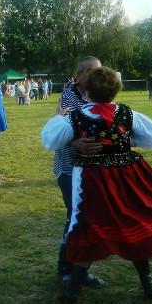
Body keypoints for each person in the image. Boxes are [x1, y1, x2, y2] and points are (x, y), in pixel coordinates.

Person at [42, 67, 152, 304]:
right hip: (128, 177)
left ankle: (72, 293)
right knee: (133, 222)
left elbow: (50, 139)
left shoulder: (74, 117)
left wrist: (60, 118)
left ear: (86, 91)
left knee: (89, 226)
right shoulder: (128, 114)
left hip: (92, 180)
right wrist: (128, 139)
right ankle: (148, 286)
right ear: (116, 91)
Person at [51, 57, 106, 287]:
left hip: (92, 168)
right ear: (80, 74)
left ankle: (81, 270)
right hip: (69, 167)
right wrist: (75, 143)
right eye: (93, 71)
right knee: (75, 217)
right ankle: (66, 267)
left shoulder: (99, 95)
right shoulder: (69, 96)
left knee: (89, 217)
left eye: (100, 71)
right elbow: (58, 129)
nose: (98, 75)